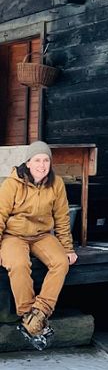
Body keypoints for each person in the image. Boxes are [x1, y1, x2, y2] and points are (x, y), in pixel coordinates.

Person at [0, 140, 77, 346]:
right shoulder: (12, 184)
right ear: (28, 162)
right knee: (17, 265)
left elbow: (62, 217)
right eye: (37, 160)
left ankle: (40, 311)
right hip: (13, 235)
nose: (42, 165)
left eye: (46, 160)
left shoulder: (56, 184)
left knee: (61, 262)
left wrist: (67, 248)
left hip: (42, 235)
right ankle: (28, 316)